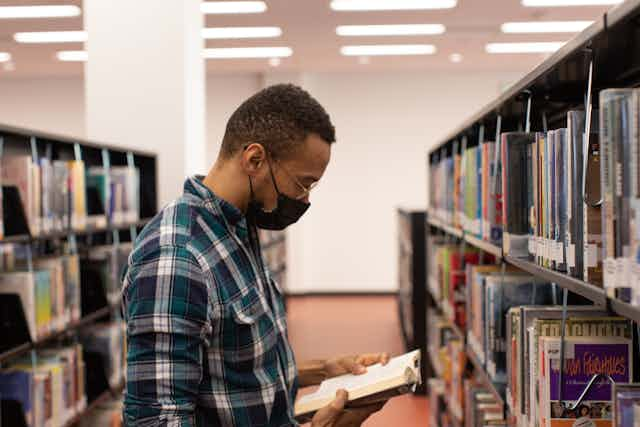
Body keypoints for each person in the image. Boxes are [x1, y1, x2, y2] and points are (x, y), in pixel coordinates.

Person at [121, 84, 390, 426]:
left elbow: (233, 366)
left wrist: (323, 371)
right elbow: (158, 421)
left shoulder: (238, 227)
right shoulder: (177, 259)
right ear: (255, 160)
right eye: (303, 183)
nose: (305, 200)